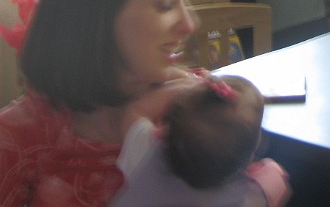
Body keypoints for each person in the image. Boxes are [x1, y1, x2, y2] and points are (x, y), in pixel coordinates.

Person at [0, 0, 286, 205]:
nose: (190, 24)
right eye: (165, 5)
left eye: (185, 1)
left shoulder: (197, 106)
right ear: (99, 19)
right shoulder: (21, 137)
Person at [112, 74, 291, 207]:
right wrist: (270, 169)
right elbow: (278, 182)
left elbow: (135, 109)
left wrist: (185, 85)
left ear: (167, 129)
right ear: (249, 156)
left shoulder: (148, 149)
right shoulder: (246, 197)